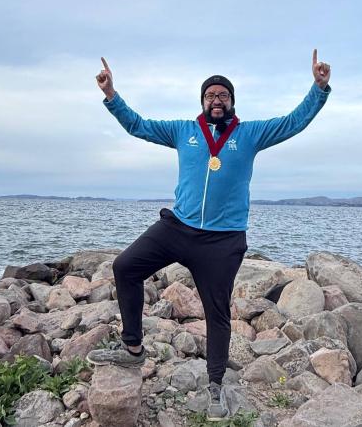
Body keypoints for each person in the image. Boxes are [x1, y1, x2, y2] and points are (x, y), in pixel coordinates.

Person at [87, 50, 331, 421]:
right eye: (210, 95)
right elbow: (138, 125)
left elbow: (292, 122)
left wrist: (318, 89)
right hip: (177, 226)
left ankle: (215, 383)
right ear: (202, 101)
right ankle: (133, 348)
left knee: (217, 313)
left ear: (232, 101)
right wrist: (111, 96)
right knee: (124, 267)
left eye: (223, 95)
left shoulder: (249, 134)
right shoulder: (183, 131)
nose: (217, 100)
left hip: (223, 239)